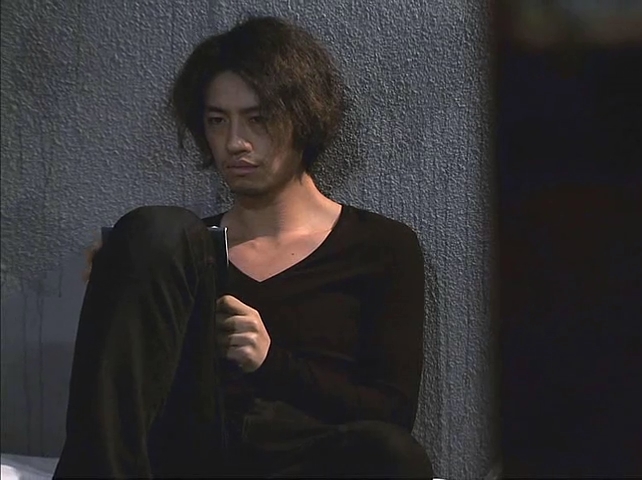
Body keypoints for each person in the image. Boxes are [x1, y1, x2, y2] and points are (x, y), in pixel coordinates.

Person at [54, 16, 433, 479]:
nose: (235, 142)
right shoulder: (180, 250)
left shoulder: (380, 246)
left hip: (305, 455)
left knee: (392, 454)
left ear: (303, 118)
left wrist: (271, 362)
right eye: (217, 121)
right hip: (194, 450)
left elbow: (391, 411)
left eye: (258, 119)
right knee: (155, 231)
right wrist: (129, 277)